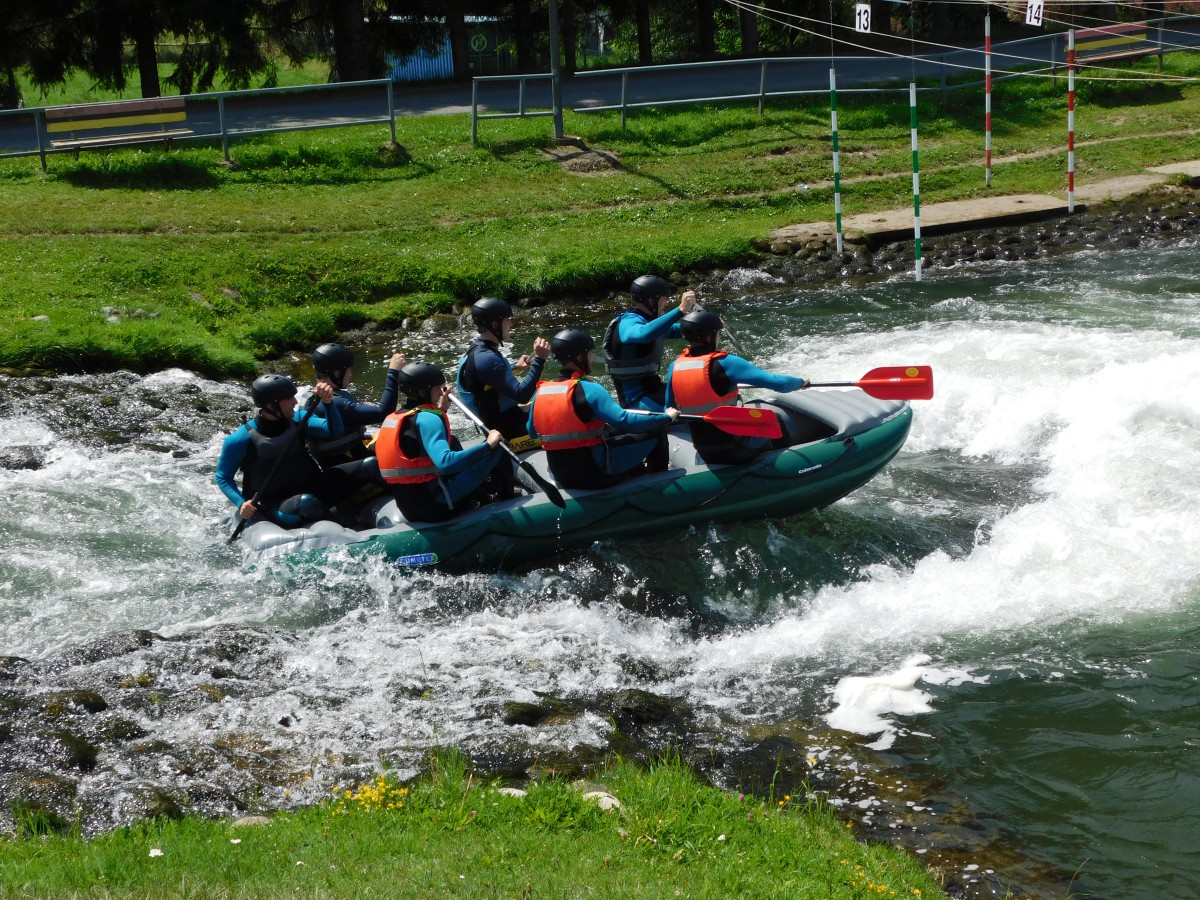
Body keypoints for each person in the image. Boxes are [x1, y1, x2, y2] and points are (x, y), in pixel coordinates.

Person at [527, 329, 679, 490]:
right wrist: (666, 417)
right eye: (590, 353)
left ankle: (638, 473)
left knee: (609, 432)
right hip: (595, 473)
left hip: (561, 475)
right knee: (657, 432)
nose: (592, 357)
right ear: (580, 357)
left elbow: (532, 431)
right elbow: (624, 421)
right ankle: (661, 487)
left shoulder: (541, 391)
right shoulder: (589, 388)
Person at [215, 374, 371, 528]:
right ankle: (350, 532)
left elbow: (333, 431)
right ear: (271, 406)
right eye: (289, 399)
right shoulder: (240, 439)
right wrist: (241, 503)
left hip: (312, 486)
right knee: (308, 503)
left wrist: (328, 403)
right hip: (277, 503)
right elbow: (223, 477)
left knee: (371, 465)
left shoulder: (299, 419)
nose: (295, 402)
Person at [665, 310, 809, 465]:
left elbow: (669, 407)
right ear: (709, 337)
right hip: (734, 448)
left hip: (703, 448)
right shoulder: (726, 362)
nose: (719, 337)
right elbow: (780, 384)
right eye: (718, 334)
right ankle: (787, 465)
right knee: (775, 419)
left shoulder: (674, 366)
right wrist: (801, 381)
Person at [375, 362, 505, 523]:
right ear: (423, 392)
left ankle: (481, 493)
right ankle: (505, 498)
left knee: (452, 441)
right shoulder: (428, 419)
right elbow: (446, 463)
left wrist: (441, 409)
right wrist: (488, 444)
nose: (441, 391)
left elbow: (417, 443)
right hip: (438, 506)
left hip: (409, 508)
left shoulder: (393, 418)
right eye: (437, 388)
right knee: (498, 447)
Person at [455, 298, 550, 499]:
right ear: (495, 324)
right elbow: (522, 394)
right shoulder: (488, 359)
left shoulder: (478, 350)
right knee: (554, 421)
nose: (511, 323)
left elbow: (489, 380)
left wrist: (516, 367)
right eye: (508, 320)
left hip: (499, 420)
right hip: (504, 428)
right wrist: (539, 360)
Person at [603, 275, 697, 412]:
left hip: (653, 389)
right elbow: (644, 334)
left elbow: (676, 330)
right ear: (652, 301)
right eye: (664, 299)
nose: (666, 303)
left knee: (696, 394)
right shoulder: (628, 322)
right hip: (636, 400)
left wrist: (706, 323)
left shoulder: (650, 323)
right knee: (689, 407)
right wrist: (680, 309)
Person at [308, 342, 406, 468]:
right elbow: (383, 412)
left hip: (339, 461)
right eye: (348, 370)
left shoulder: (313, 395)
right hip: (348, 466)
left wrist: (367, 435)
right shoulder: (335, 402)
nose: (350, 374)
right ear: (337, 373)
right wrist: (393, 373)